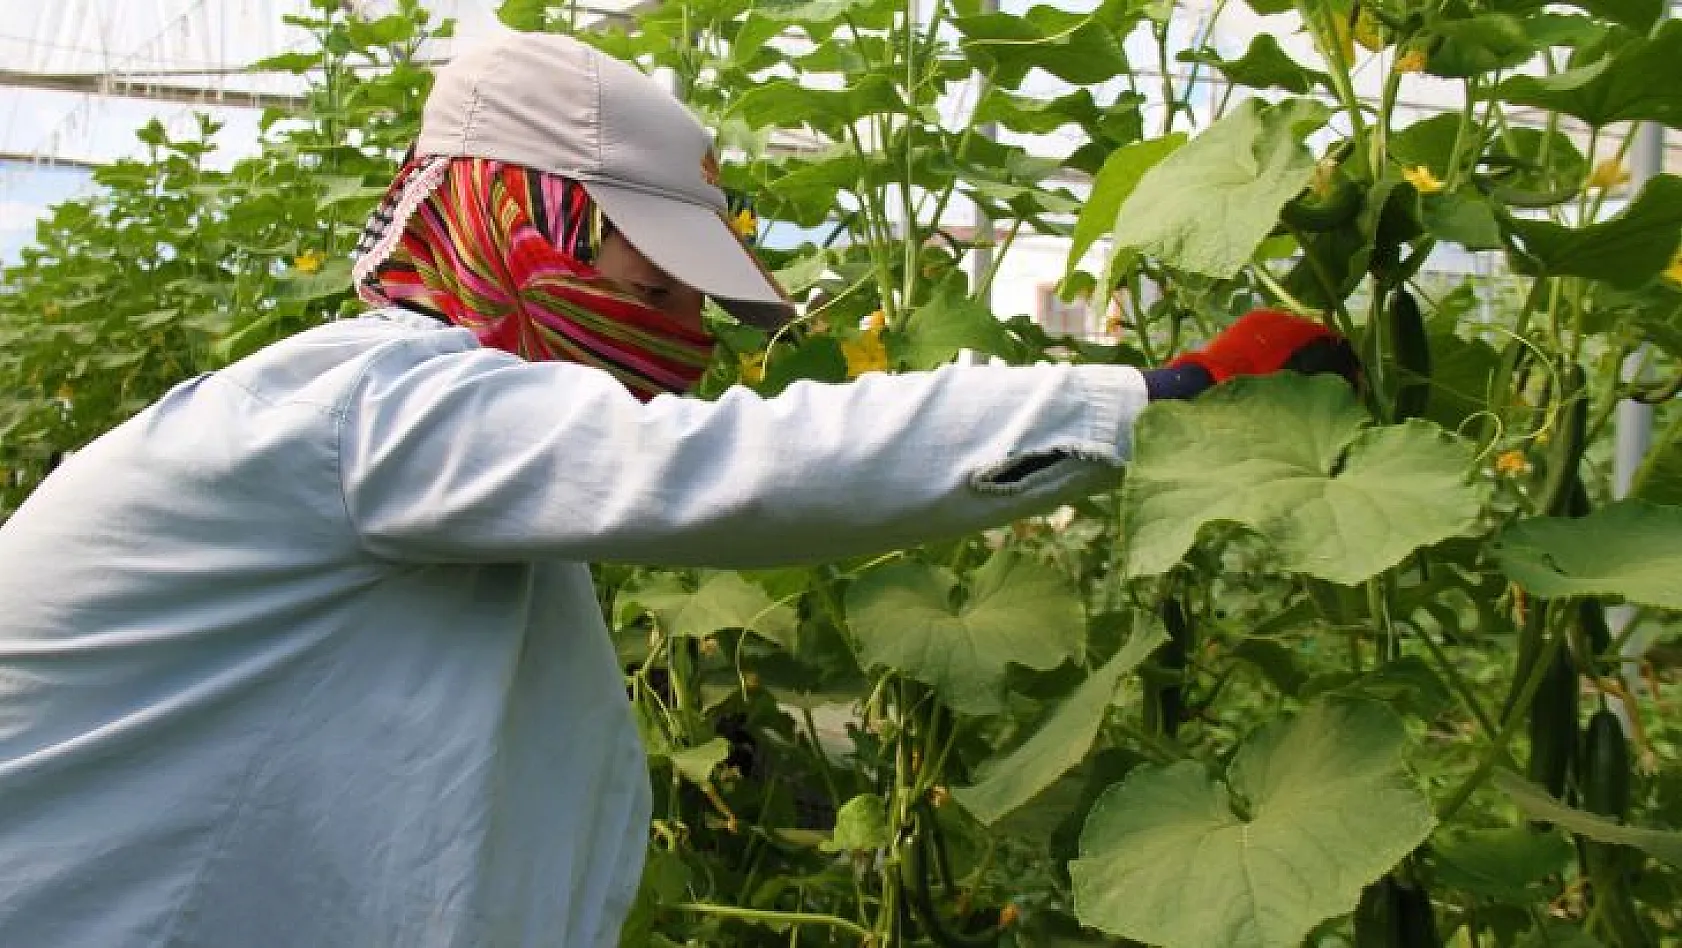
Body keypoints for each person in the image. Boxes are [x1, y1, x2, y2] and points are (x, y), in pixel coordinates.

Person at [0, 29, 1355, 948]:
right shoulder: (375, 410)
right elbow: (726, 467)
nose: (680, 334)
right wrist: (1156, 400)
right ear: (512, 219)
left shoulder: (448, 467)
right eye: (646, 283)